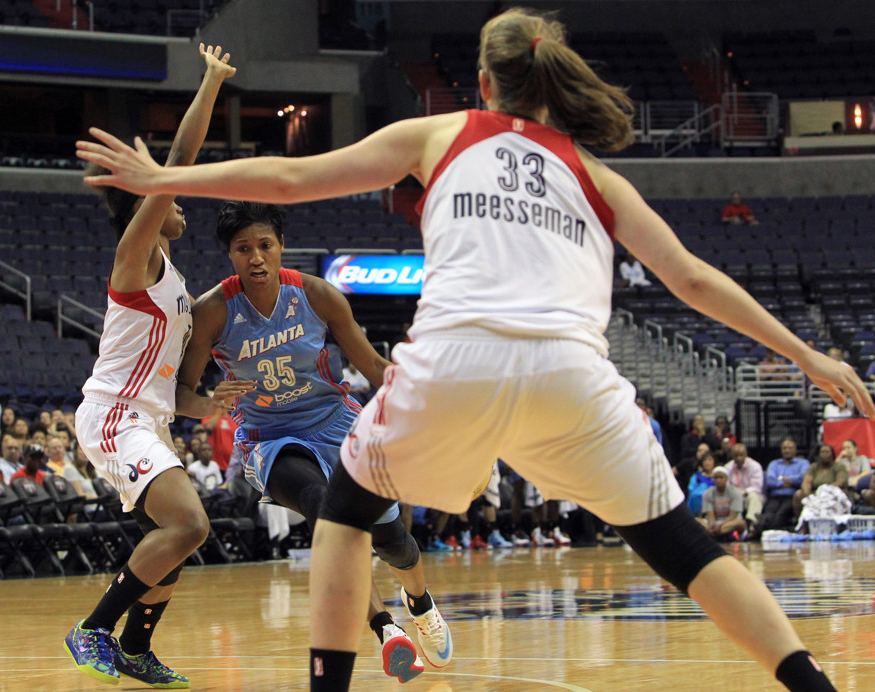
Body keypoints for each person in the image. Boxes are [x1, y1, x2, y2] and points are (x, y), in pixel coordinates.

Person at [75, 9, 872, 691]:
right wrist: (809, 355)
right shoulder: (595, 175)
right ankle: (810, 683)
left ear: (483, 85)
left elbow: (288, 178)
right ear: (552, 86)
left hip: (457, 362)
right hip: (576, 378)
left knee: (343, 518)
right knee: (688, 551)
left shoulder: (442, 131)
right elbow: (694, 281)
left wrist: (159, 179)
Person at [173, 201, 451, 682]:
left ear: (280, 247)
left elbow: (372, 368)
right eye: (244, 249)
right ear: (230, 256)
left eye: (265, 245)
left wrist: (431, 402)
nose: (256, 257)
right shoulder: (213, 310)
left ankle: (420, 603)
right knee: (324, 509)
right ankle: (387, 631)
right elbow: (178, 393)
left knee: (395, 545)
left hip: (337, 424)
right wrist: (207, 403)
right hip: (269, 436)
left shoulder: (319, 295)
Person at [63, 43, 237, 690]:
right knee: (191, 522)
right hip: (113, 417)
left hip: (150, 419)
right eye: (168, 201)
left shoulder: (177, 287)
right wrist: (212, 83)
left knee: (177, 538)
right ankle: (94, 628)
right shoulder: (137, 260)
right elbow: (180, 165)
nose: (182, 204)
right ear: (148, 210)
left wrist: (221, 401)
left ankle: (136, 649)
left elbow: (179, 393)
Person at [761, 438, 811, 532]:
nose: (787, 450)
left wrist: (780, 479)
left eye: (790, 448)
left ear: (795, 450)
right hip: (775, 496)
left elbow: (802, 479)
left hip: (791, 496)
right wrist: (790, 482)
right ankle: (763, 528)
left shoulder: (803, 463)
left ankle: (767, 530)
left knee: (780, 514)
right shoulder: (774, 464)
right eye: (784, 448)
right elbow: (770, 481)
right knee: (769, 513)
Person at [792, 444, 849, 519]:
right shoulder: (814, 467)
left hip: (832, 494)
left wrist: (824, 491)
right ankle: (802, 525)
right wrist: (808, 494)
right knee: (798, 494)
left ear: (832, 454)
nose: (825, 454)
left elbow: (841, 482)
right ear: (819, 455)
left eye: (827, 452)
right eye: (822, 452)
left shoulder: (839, 466)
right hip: (815, 495)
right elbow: (807, 482)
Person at [724, 443, 765, 534]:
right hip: (733, 497)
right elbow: (725, 486)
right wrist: (735, 493)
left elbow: (757, 487)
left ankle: (752, 525)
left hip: (747, 496)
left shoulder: (755, 466)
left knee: (754, 497)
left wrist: (743, 492)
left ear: (746, 454)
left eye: (741, 455)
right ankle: (729, 528)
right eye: (736, 455)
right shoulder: (727, 467)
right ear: (732, 456)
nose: (738, 458)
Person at [697, 467, 746, 541]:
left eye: (721, 477)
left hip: (729, 522)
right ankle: (719, 533)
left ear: (726, 479)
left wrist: (720, 525)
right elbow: (710, 516)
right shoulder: (707, 493)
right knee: (696, 520)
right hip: (713, 523)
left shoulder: (736, 492)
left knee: (741, 523)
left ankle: (713, 534)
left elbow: (733, 516)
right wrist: (712, 525)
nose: (718, 480)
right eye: (716, 478)